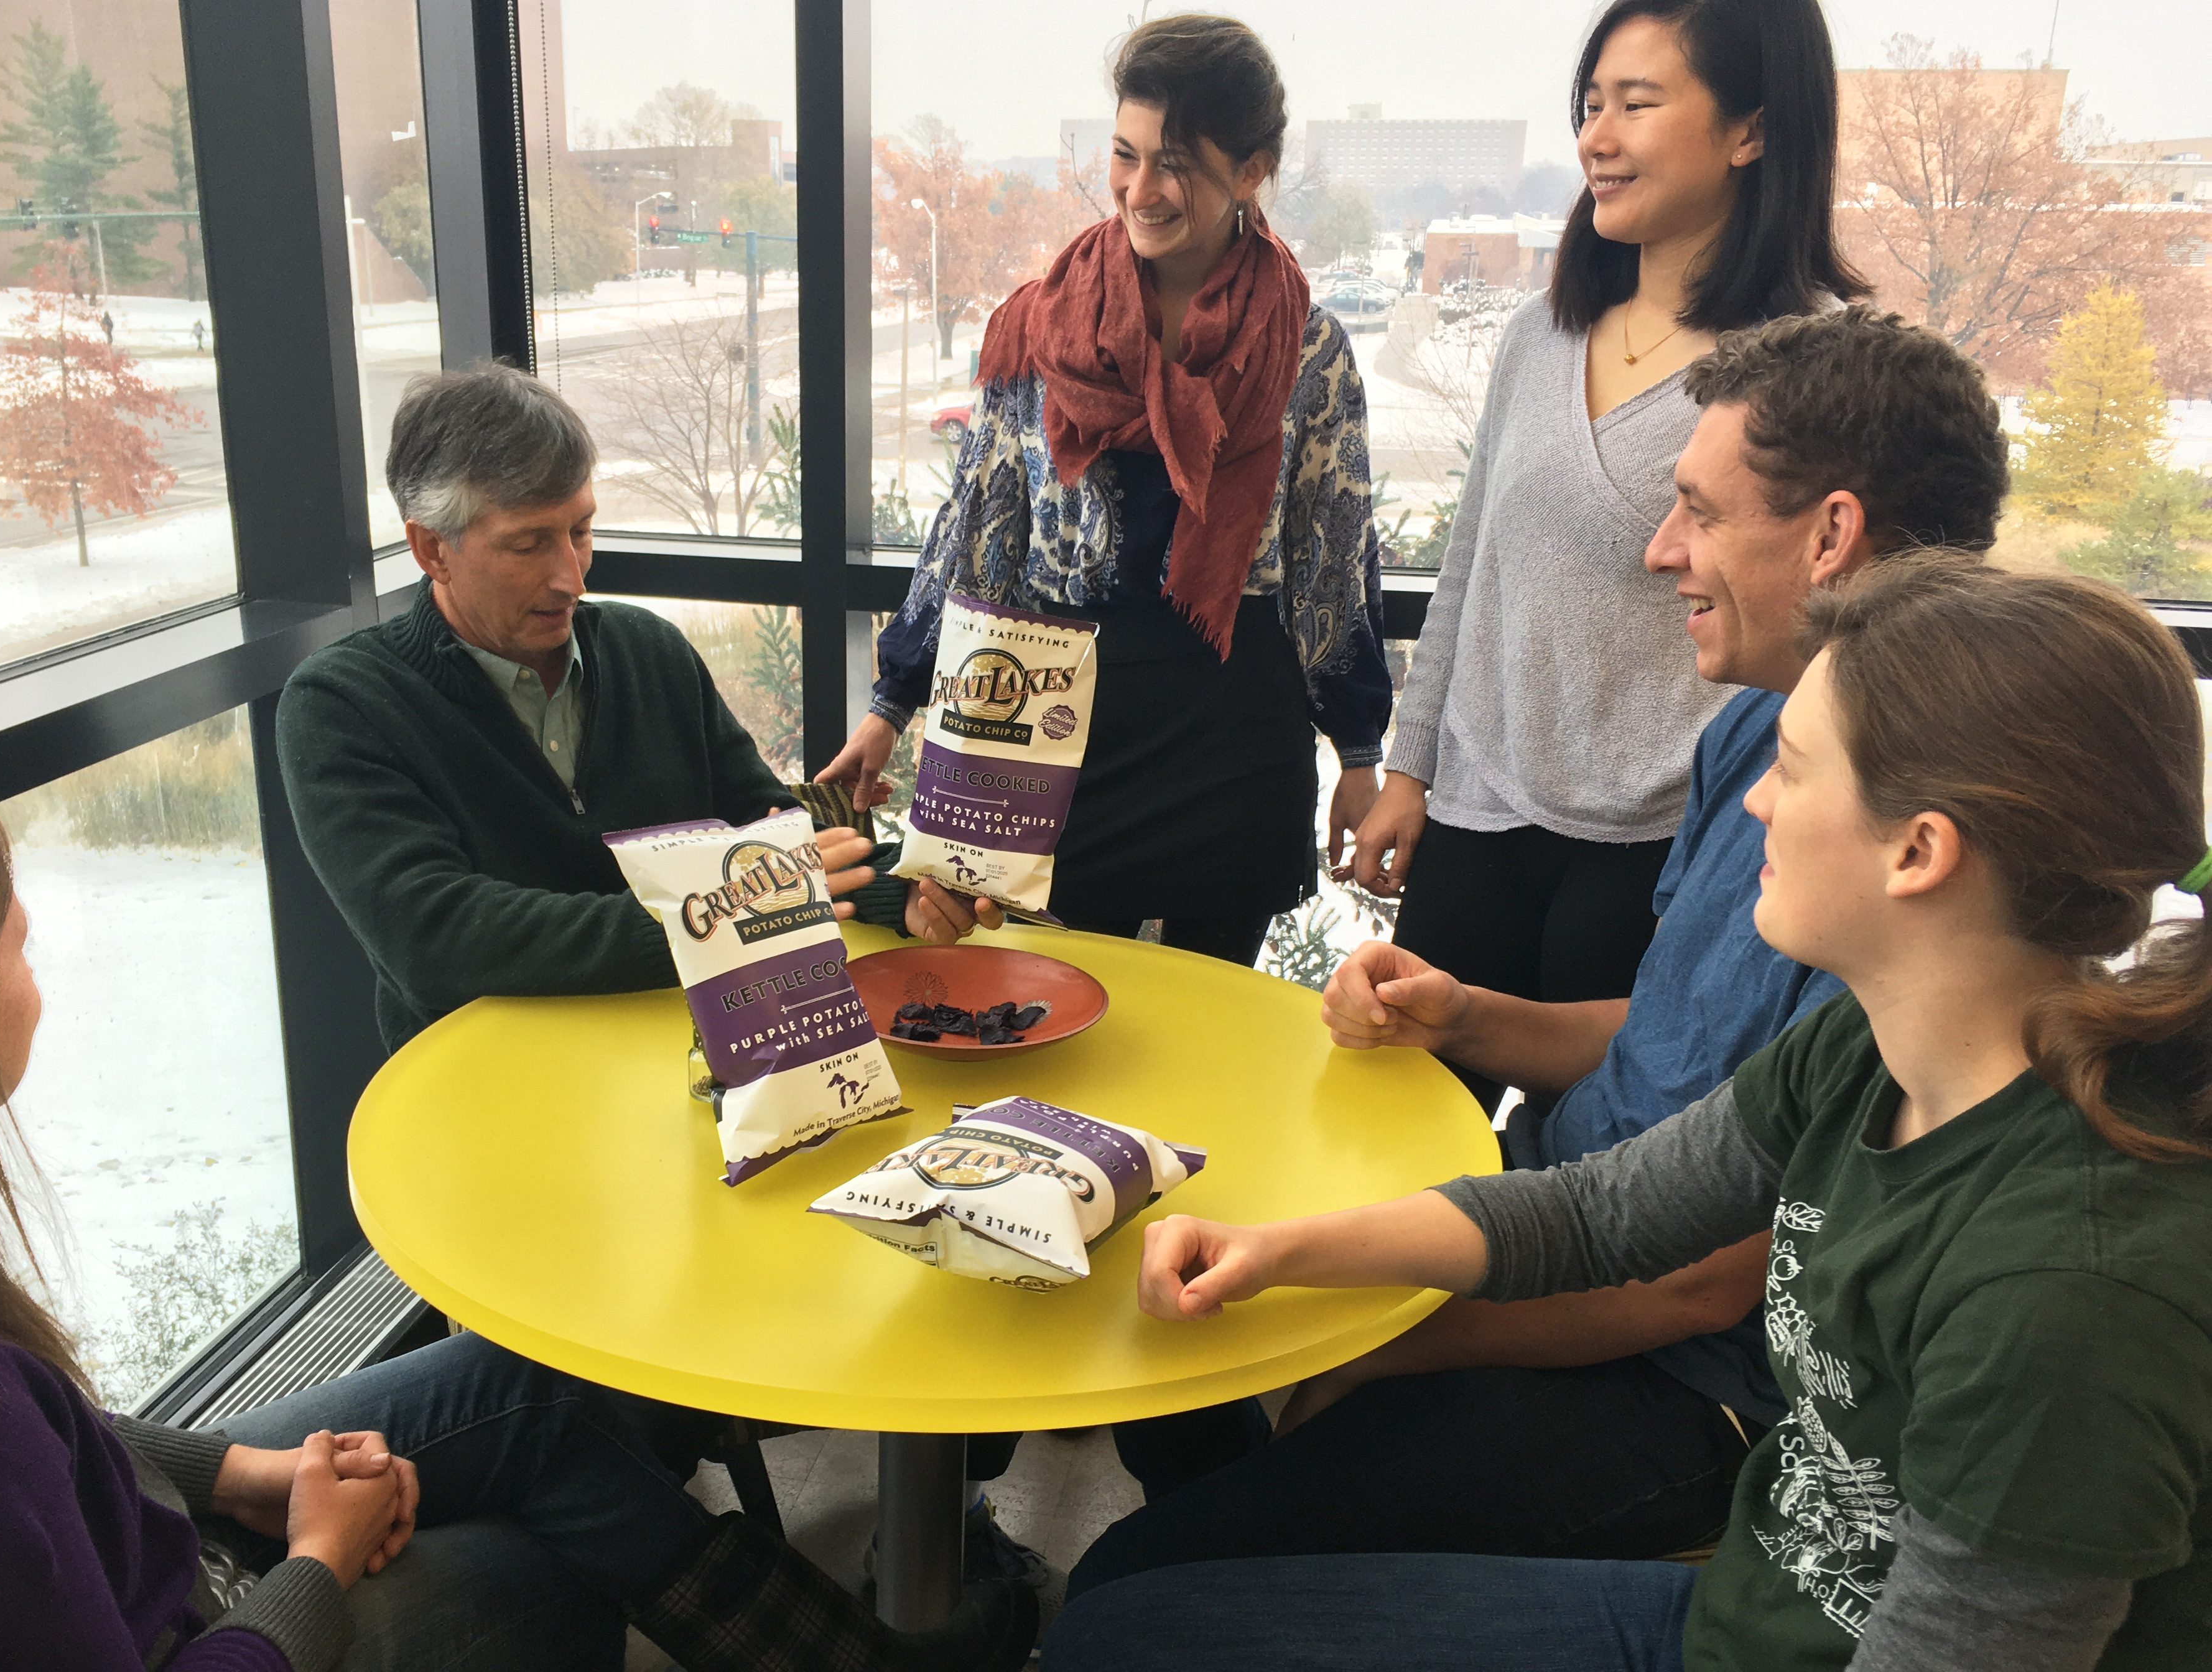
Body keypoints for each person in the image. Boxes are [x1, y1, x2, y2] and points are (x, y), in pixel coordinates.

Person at [1051, 560, 2212, 1670]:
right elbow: (1605, 1211)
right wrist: (1279, 1253)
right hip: (1740, 1614)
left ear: (1918, 851)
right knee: (1118, 1621)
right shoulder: (1870, 1044)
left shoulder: (2067, 1301)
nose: (1755, 796)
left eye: (1795, 771)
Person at [1064, 308, 2014, 1596]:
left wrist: (1393, 1331)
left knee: (1146, 1575)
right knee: (1202, 1320)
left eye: (1698, 510)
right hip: (1581, 1222)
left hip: (1682, 1380)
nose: (1658, 550)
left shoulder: (1906, 876)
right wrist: (1463, 1014)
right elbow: (1680, 1035)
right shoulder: (1752, 741)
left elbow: (1697, 1275)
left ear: (1833, 535)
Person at [0, 761, 1038, 1672]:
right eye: (8, 940)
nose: (34, 949)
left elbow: (63, 1446)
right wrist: (316, 1565)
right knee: (556, 1566)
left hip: (146, 1520)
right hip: (214, 1619)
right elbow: (18, 1481)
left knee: (534, 1392)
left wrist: (243, 1474)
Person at [1351, 0, 1869, 1114]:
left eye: (1637, 104)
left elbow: (1846, 622)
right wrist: (1411, 767)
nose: (1596, 137)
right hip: (1482, 808)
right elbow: (1469, 567)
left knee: (1594, 1150)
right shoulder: (1538, 336)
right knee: (1402, 1110)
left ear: (1750, 130)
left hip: (1660, 835)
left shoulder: (1817, 366)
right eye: (1590, 105)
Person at [818, 13, 1392, 972]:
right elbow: (975, 532)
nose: (1140, 188)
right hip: (1058, 728)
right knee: (1053, 1009)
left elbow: (1334, 562)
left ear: (1251, 170)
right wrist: (892, 703)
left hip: (1234, 735)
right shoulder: (1041, 326)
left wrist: (1360, 754)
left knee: (1208, 1031)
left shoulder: (1309, 349)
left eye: (1177, 164)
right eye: (1124, 155)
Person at [277, 363, 997, 1057]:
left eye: (581, 530)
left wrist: (900, 892)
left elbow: (767, 831)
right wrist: (717, 915)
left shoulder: (647, 651)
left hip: (687, 1064)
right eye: (528, 544)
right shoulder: (344, 705)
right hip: (482, 1086)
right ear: (431, 549)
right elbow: (435, 941)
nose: (572, 575)